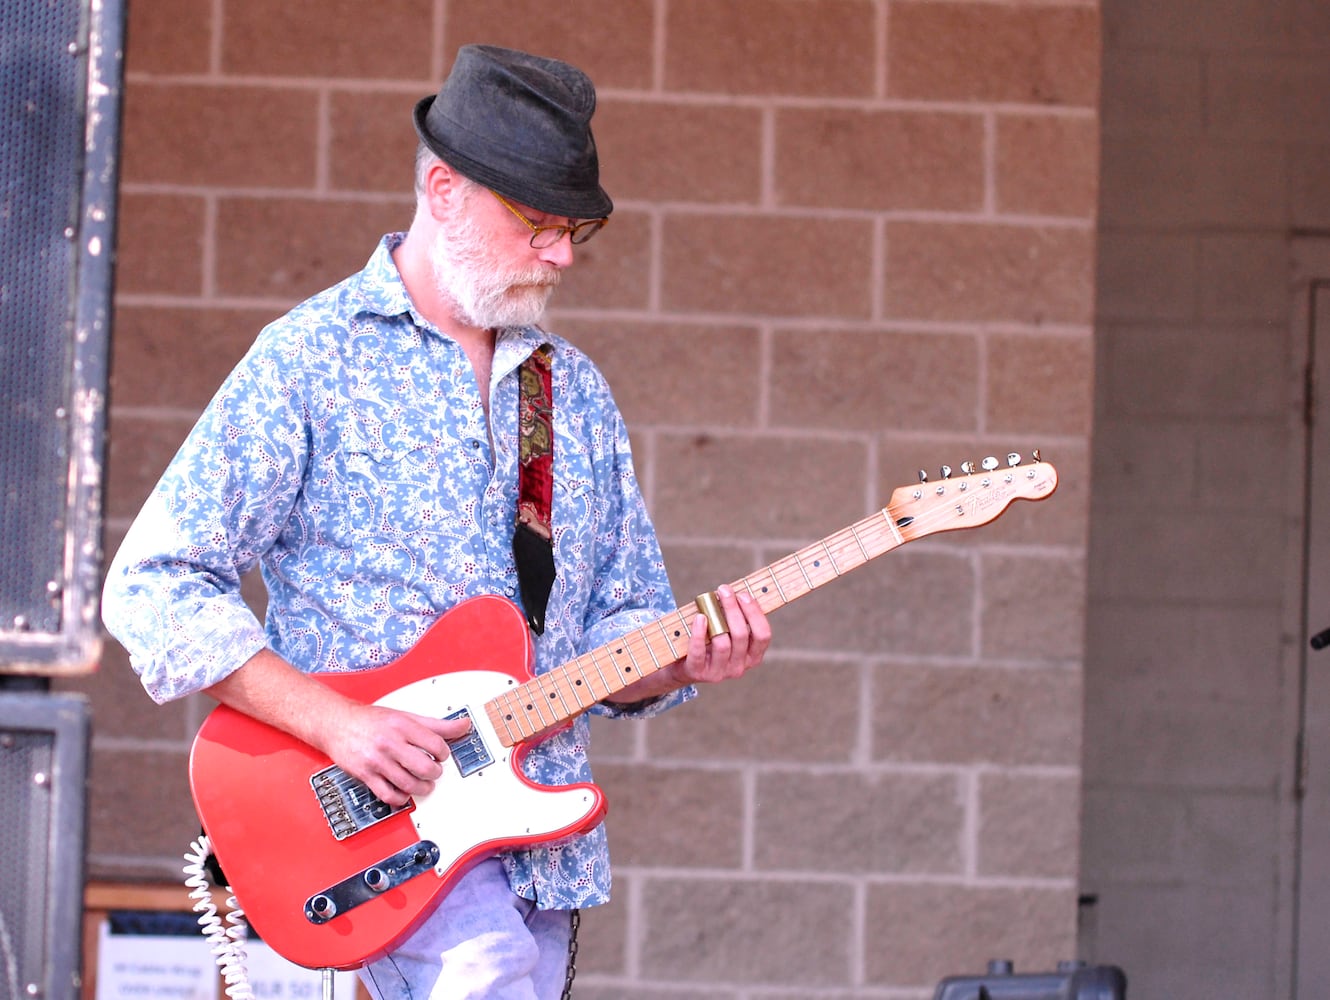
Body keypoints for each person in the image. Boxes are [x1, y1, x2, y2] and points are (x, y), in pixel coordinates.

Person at [101, 44, 769, 1000]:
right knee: (485, 972)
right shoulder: (310, 360)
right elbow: (153, 585)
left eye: (575, 229)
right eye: (537, 223)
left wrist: (682, 655)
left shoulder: (568, 392)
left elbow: (616, 625)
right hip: (374, 823)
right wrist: (340, 727)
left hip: (530, 839)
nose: (563, 255)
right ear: (445, 189)